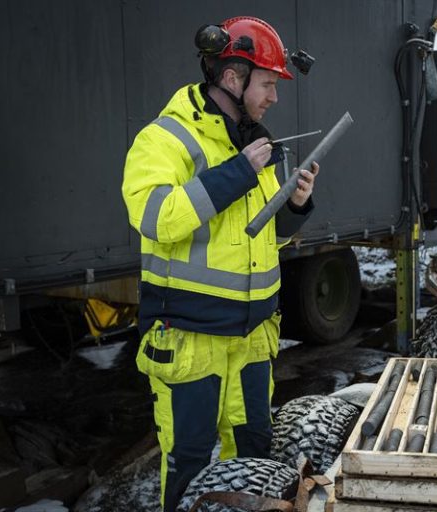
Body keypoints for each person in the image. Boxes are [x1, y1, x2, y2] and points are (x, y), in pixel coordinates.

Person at [121, 16, 318, 512]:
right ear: (232, 76)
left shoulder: (256, 145)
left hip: (251, 338)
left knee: (254, 453)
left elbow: (265, 238)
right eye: (268, 83)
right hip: (191, 337)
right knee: (188, 463)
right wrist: (237, 173)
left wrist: (294, 206)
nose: (274, 96)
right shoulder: (165, 139)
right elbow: (156, 217)